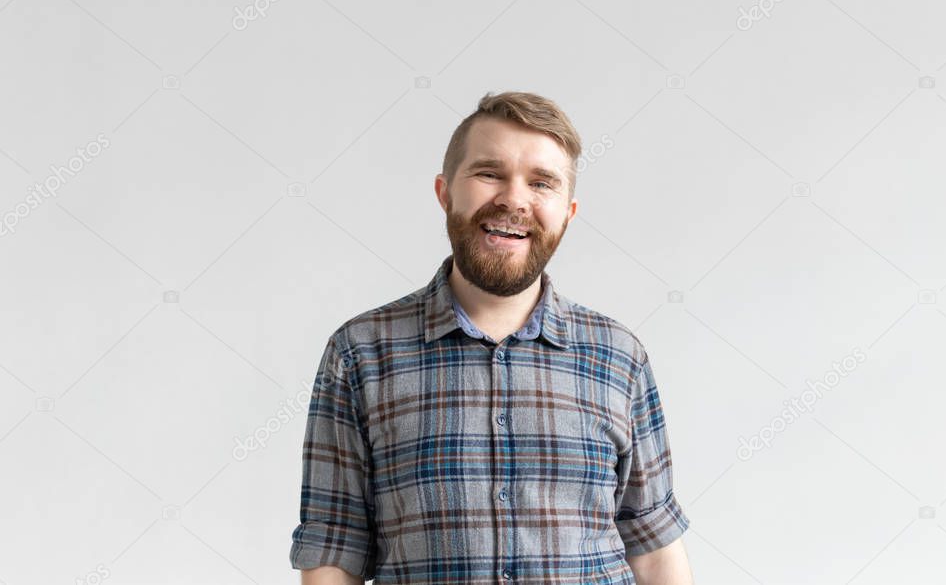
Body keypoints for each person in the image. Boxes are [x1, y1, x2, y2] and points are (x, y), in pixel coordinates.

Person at [290, 91, 693, 584]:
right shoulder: (360, 353)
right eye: (489, 173)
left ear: (567, 211)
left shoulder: (618, 356)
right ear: (445, 192)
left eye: (541, 182)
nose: (514, 199)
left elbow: (653, 549)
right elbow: (334, 548)